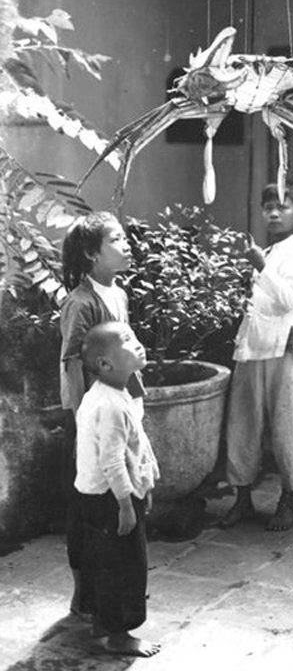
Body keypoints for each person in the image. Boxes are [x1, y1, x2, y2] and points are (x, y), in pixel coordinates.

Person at [220, 180, 293, 532]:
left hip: (284, 348)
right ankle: (243, 499)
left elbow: (290, 302)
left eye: (284, 207)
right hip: (253, 346)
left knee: (286, 426)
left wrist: (261, 266)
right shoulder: (267, 251)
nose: (275, 213)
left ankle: (288, 502)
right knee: (242, 424)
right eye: (268, 208)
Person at [60, 211, 143, 620]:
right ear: (93, 254)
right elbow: (74, 364)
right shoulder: (80, 302)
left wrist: (136, 398)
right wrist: (82, 422)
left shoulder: (119, 294)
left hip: (117, 406)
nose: (126, 244)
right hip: (91, 414)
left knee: (113, 500)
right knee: (87, 506)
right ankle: (84, 593)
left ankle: (109, 590)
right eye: (116, 239)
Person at [76, 321, 160, 657]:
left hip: (104, 496)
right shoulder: (109, 404)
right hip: (112, 499)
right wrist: (126, 505)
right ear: (104, 364)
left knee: (105, 563)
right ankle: (120, 635)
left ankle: (102, 625)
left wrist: (144, 485)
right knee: (127, 567)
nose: (138, 343)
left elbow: (133, 450)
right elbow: (112, 461)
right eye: (127, 341)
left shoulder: (111, 393)